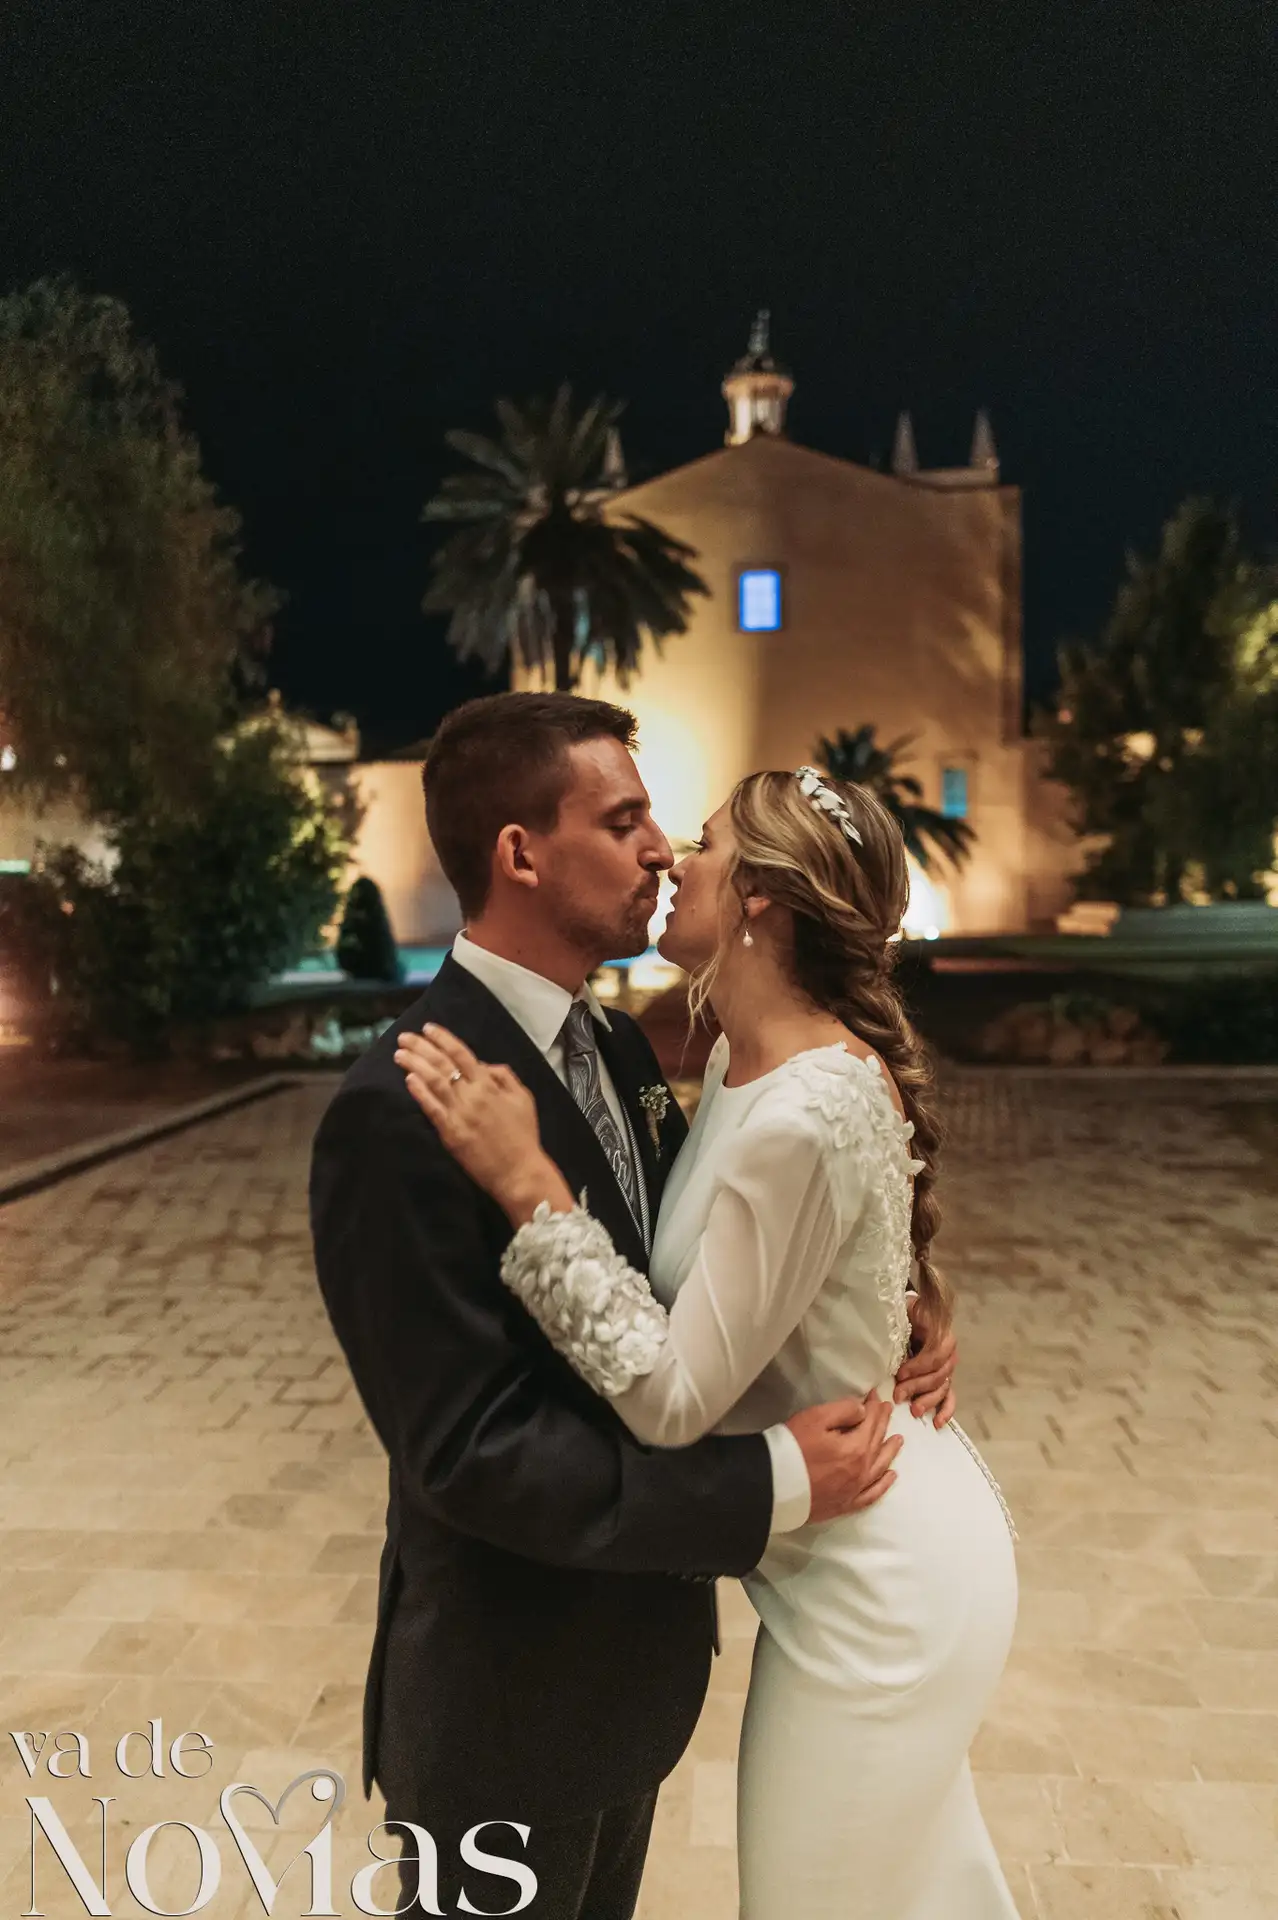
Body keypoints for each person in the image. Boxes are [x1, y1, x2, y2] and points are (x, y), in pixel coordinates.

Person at [309, 691, 959, 1920]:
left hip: (630, 1691)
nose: (662, 849)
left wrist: (889, 1299)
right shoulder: (402, 1106)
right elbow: (471, 1454)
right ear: (521, 854)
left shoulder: (615, 1054)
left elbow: (711, 1265)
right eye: (624, 820)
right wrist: (768, 1486)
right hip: (505, 1713)